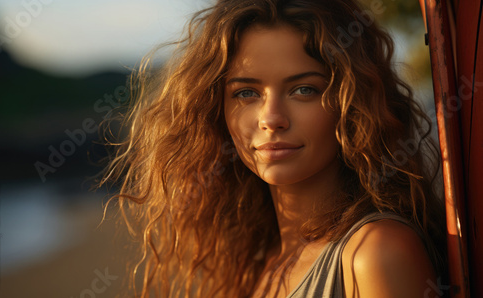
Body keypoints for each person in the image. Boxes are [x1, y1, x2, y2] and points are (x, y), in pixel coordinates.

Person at [98, 0, 447, 297]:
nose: (272, 118)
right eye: (246, 93)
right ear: (216, 111)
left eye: (304, 90)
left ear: (352, 103)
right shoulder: (258, 264)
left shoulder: (376, 254)